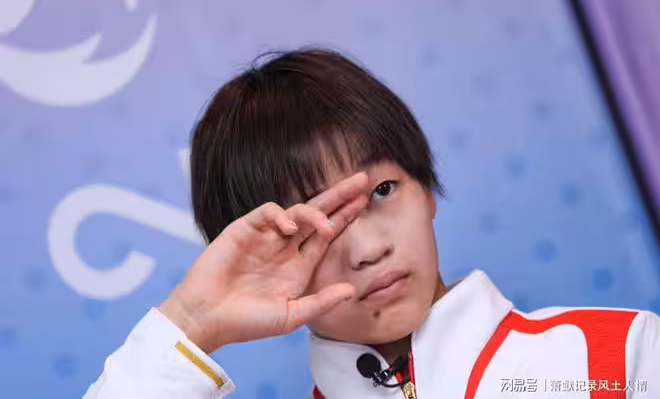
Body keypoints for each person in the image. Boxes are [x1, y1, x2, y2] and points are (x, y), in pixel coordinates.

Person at [83, 48, 660, 399]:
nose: (365, 249)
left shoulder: (617, 357)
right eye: (314, 226)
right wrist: (190, 322)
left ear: (427, 188)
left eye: (382, 191)